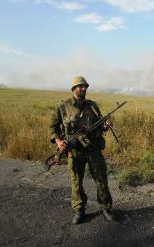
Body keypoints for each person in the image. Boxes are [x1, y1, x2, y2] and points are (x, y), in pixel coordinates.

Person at [49, 76, 113, 224]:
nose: (84, 89)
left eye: (85, 86)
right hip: (75, 152)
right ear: (74, 89)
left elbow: (100, 124)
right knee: (76, 182)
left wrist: (105, 126)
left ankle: (106, 208)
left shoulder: (93, 106)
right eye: (80, 86)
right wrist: (58, 141)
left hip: (93, 150)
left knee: (101, 179)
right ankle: (79, 210)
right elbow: (52, 127)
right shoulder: (63, 106)